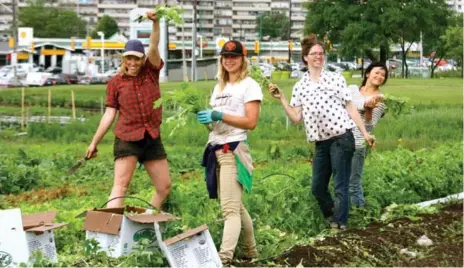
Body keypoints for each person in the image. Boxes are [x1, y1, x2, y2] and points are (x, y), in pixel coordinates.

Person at [269, 34, 374, 230]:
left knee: (341, 185)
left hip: (342, 137)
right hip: (321, 142)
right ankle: (333, 215)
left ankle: (340, 224)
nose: (318, 56)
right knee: (317, 188)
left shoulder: (335, 79)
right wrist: (282, 98)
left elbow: (351, 108)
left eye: (321, 53)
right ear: (305, 58)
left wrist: (365, 133)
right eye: (314, 53)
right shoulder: (300, 86)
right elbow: (296, 118)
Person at [85, 12, 171, 209]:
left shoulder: (151, 73)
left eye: (137, 59)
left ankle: (146, 222)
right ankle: (109, 233)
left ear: (143, 60)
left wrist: (156, 23)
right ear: (123, 59)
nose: (133, 63)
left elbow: (154, 46)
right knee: (121, 186)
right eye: (129, 59)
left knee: (164, 187)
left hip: (151, 137)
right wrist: (94, 142)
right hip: (127, 139)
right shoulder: (115, 83)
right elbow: (109, 114)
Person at [197, 40, 262, 265]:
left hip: (233, 150)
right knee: (236, 206)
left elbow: (250, 122)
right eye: (225, 56)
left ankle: (223, 259)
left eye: (234, 56)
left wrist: (219, 115)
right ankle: (251, 251)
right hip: (216, 150)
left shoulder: (249, 85)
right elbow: (218, 122)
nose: (229, 60)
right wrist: (208, 120)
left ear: (243, 59)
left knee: (230, 210)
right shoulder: (219, 87)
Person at [349, 62, 388, 207]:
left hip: (359, 142)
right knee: (340, 181)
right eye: (377, 72)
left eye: (383, 75)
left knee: (353, 183)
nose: (379, 76)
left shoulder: (381, 99)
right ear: (367, 74)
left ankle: (360, 214)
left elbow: (370, 125)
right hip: (340, 140)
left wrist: (369, 109)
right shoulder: (353, 90)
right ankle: (346, 212)